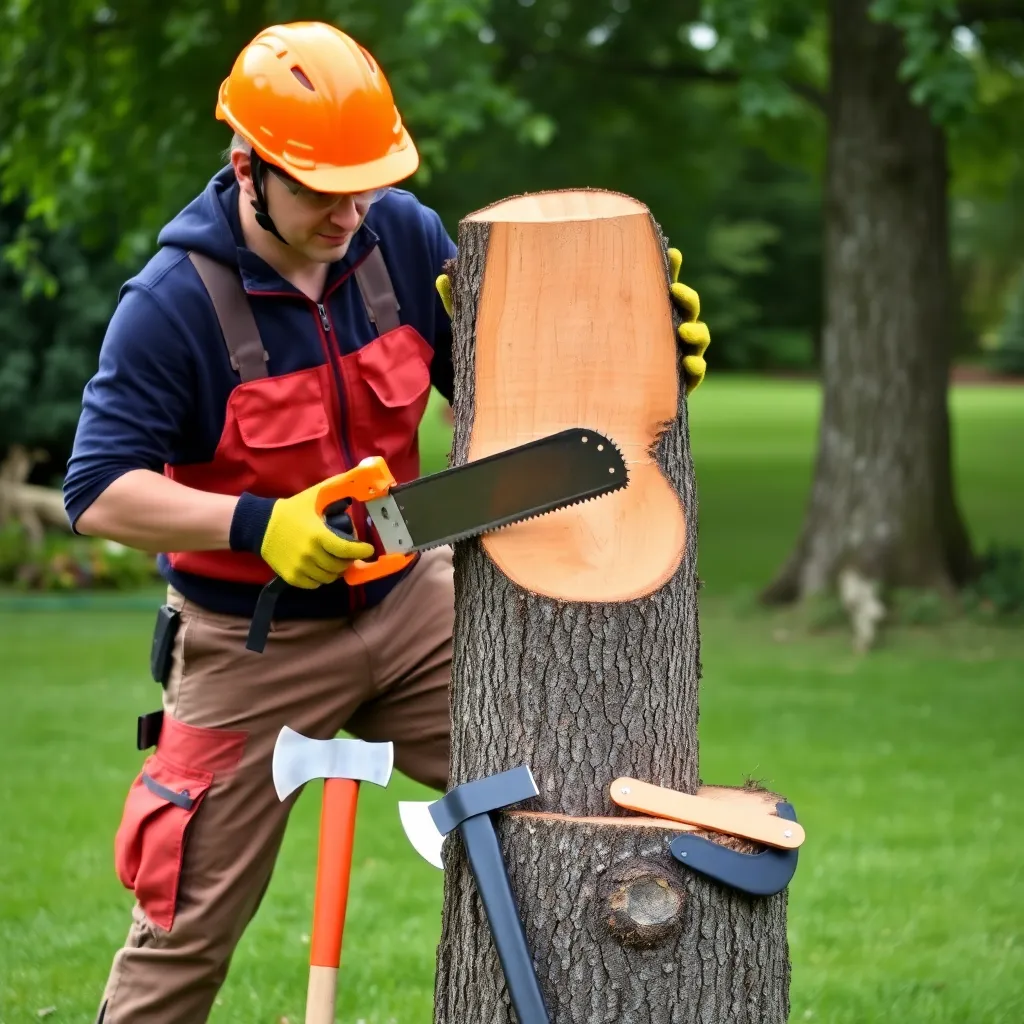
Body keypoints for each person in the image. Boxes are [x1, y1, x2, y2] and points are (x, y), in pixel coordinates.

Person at [63, 20, 712, 1023]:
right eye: (322, 190)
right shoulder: (172, 306)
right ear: (247, 167)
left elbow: (502, 389)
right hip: (251, 642)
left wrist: (631, 360)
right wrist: (257, 525)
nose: (348, 210)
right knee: (182, 930)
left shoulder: (402, 240)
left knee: (562, 802)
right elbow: (97, 489)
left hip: (413, 606)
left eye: (364, 181)